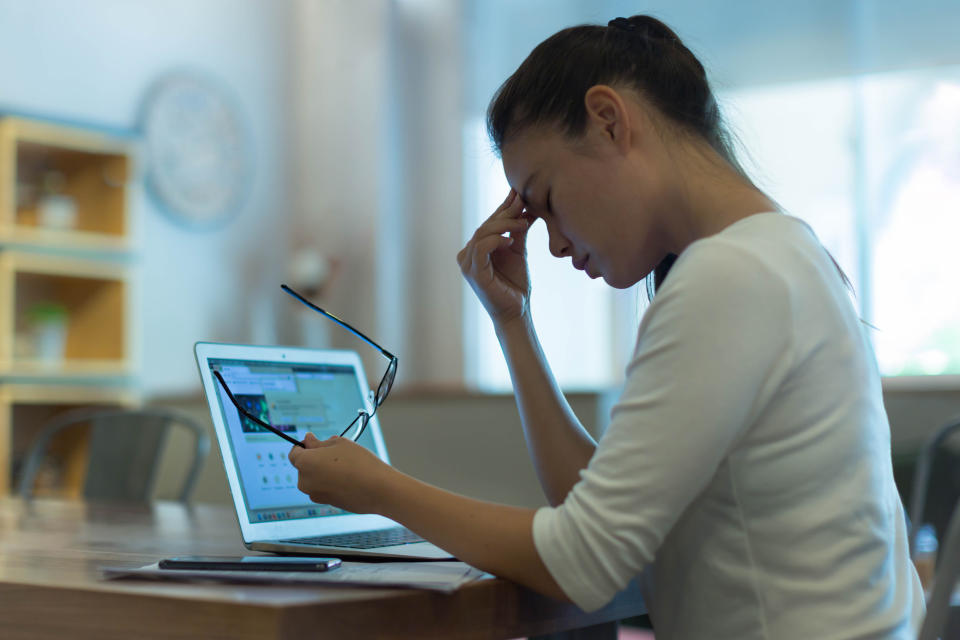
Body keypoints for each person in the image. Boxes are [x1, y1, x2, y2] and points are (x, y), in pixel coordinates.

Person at [289, 15, 925, 638]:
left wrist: (379, 488)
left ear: (609, 119)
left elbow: (580, 563)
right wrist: (514, 322)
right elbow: (593, 513)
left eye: (546, 200)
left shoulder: (731, 275)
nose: (557, 245)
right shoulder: (780, 253)